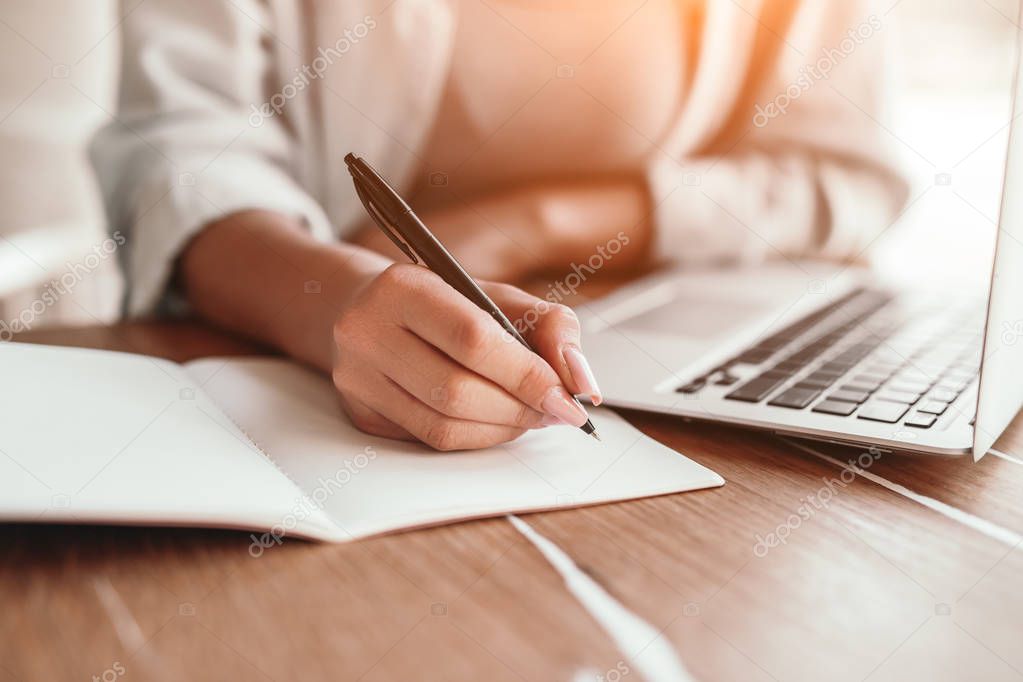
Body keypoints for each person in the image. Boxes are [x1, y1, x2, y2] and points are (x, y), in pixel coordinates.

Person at [91, 0, 906, 450]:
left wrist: (536, 225)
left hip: (686, 334)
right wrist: (335, 298)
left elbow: (847, 173)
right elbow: (183, 154)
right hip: (282, 359)